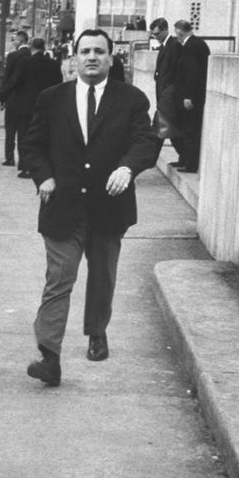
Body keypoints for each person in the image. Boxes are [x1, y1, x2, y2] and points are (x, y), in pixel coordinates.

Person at [21, 29, 160, 386]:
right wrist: (44, 177)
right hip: (62, 207)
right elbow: (32, 145)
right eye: (85, 51)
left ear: (111, 58)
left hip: (108, 208)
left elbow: (145, 141)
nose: (92, 57)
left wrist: (127, 168)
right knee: (59, 280)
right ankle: (49, 356)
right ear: (74, 58)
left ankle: (97, 332)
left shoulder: (131, 99)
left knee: (102, 278)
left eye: (100, 51)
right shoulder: (52, 98)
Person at [0, 37, 62, 178]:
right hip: (46, 106)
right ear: (44, 47)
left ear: (31, 47)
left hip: (25, 106)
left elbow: (14, 82)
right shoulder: (53, 64)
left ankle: (26, 167)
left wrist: (1, 96)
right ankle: (44, 165)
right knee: (45, 136)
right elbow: (59, 85)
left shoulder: (25, 63)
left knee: (24, 136)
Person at [173, 19, 210, 173]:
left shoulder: (191, 46)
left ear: (180, 32)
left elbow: (192, 73)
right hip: (194, 96)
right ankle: (186, 161)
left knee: (190, 130)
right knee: (189, 129)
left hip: (191, 98)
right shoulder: (198, 44)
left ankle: (190, 164)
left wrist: (188, 96)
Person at [148, 17, 182, 159]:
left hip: (169, 97)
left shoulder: (174, 45)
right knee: (164, 129)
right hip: (163, 96)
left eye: (157, 34)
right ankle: (150, 156)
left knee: (163, 129)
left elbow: (176, 72)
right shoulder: (165, 46)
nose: (155, 37)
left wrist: (169, 95)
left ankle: (150, 157)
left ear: (165, 30)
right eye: (154, 34)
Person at [0, 30, 31, 167]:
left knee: (10, 131)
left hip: (12, 99)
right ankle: (23, 160)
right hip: (27, 101)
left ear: (21, 40)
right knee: (24, 132)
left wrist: (2, 98)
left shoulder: (12, 56)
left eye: (15, 40)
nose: (14, 42)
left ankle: (9, 158)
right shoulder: (31, 55)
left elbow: (7, 78)